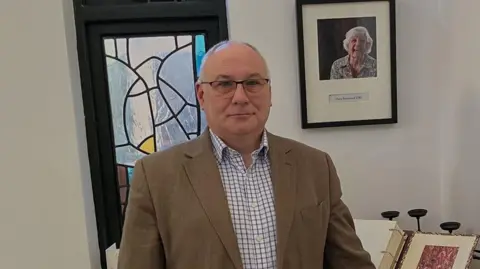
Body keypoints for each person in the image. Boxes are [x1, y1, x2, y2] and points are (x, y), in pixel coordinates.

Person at [117, 40, 375, 269]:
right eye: (225, 84)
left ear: (269, 93)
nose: (240, 97)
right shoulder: (156, 177)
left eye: (252, 83)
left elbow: (350, 263)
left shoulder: (316, 167)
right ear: (201, 94)